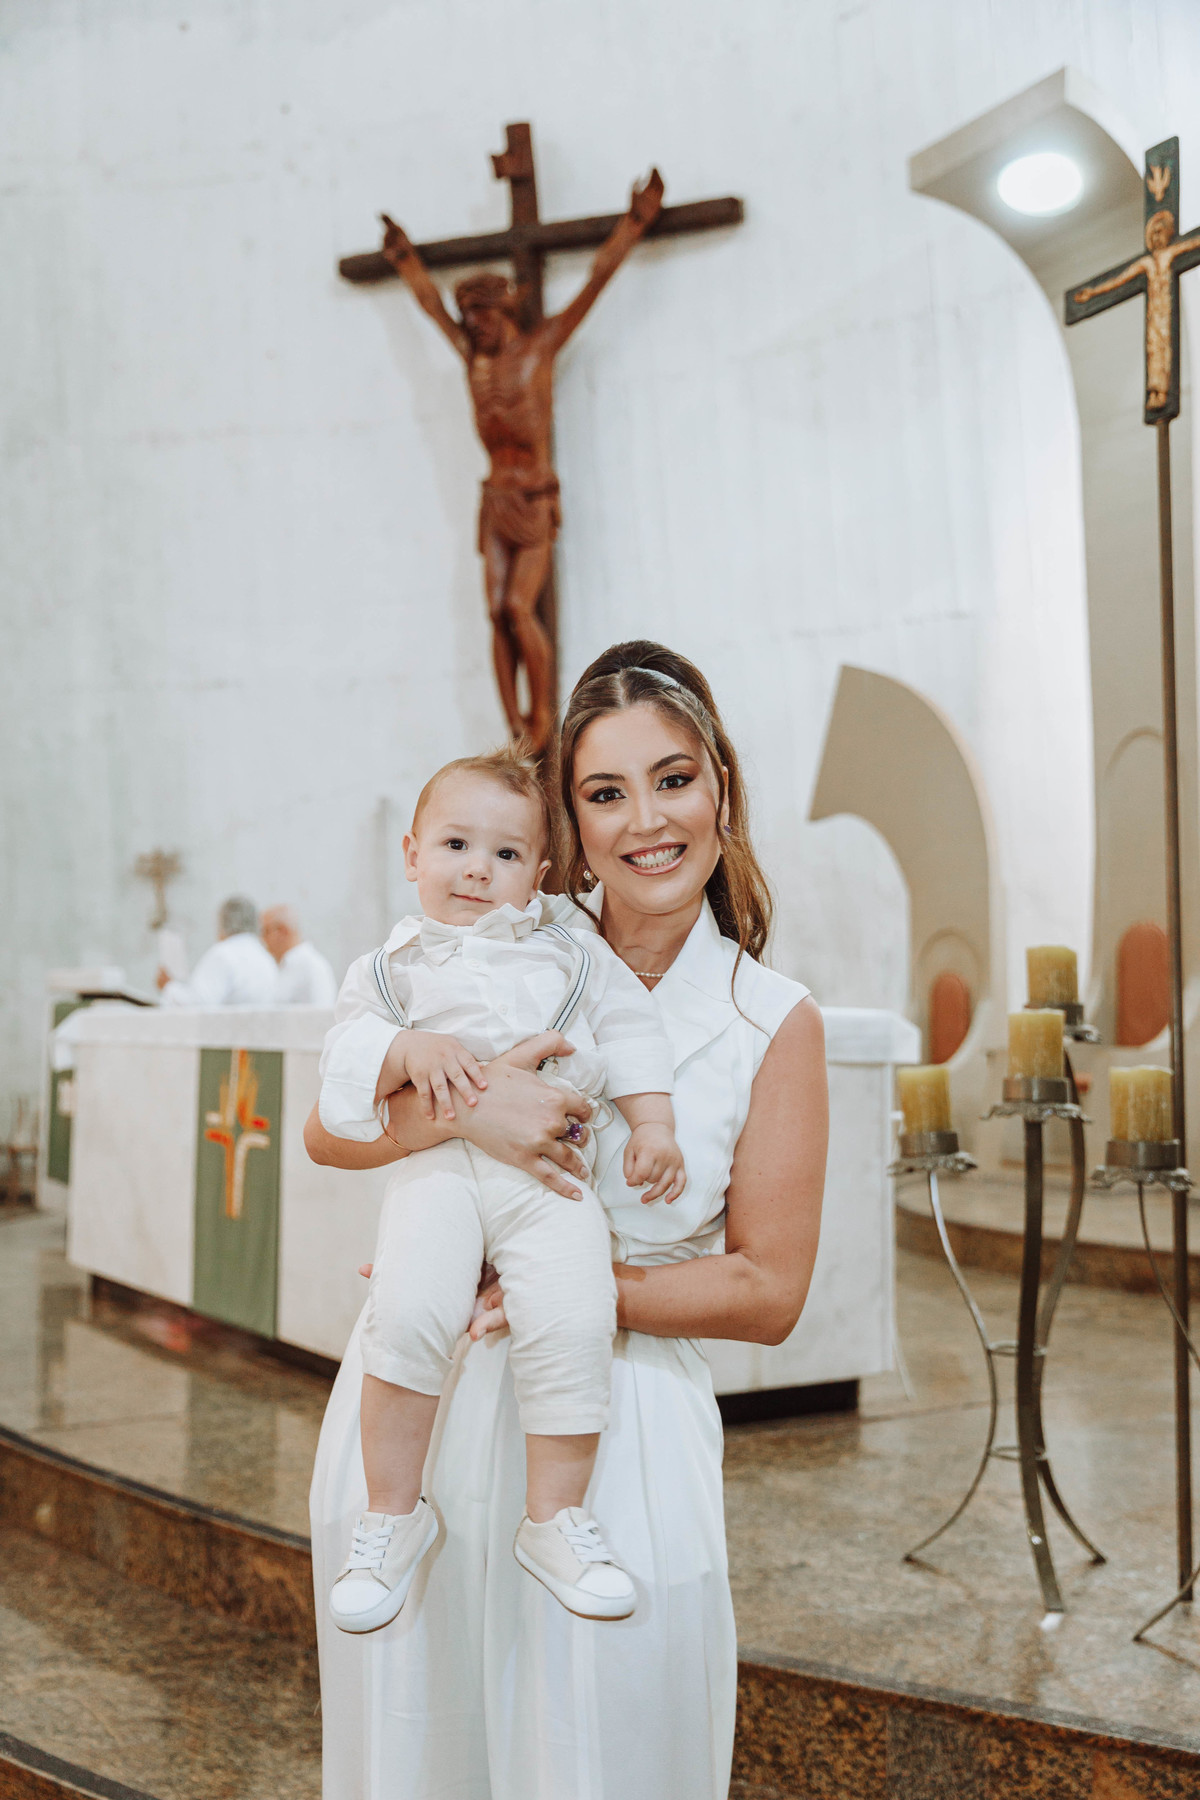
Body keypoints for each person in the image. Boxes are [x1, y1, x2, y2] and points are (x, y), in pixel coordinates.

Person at [305, 641, 829, 1800]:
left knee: (607, 1763)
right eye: (605, 793)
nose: (647, 819)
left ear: (720, 790)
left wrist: (558, 1293)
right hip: (423, 1415)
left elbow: (770, 1290)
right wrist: (473, 1119)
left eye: (674, 779)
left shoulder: (770, 1018)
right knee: (414, 1755)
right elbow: (330, 1130)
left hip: (619, 1434)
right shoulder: (491, 950)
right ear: (569, 828)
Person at [317, 745, 683, 1635]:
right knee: (404, 1313)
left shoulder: (572, 954)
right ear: (412, 855)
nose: (477, 868)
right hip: (437, 1167)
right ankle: (392, 1516)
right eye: (454, 845)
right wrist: (407, 1053)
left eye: (506, 855)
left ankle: (554, 1520)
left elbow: (630, 1030)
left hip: (549, 1171)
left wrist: (656, 1124)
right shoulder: (386, 969)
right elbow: (344, 1068)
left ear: (542, 877)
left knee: (574, 1309)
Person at [378, 168, 663, 753]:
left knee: (517, 605)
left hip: (533, 497)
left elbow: (594, 283)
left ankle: (540, 715)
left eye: (479, 318)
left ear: (500, 312)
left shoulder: (540, 349)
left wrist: (633, 224)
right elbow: (432, 309)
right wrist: (406, 261)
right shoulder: (473, 363)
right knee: (495, 613)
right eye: (469, 321)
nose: (472, 329)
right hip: (495, 498)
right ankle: (513, 721)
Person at [157, 895, 279, 1007]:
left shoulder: (223, 954)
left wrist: (168, 987)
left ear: (223, 922)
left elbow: (199, 1005)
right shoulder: (265, 957)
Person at [261, 905, 338, 1006]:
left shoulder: (309, 966)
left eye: (266, 931)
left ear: (283, 931)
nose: (262, 939)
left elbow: (322, 1014)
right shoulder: (288, 965)